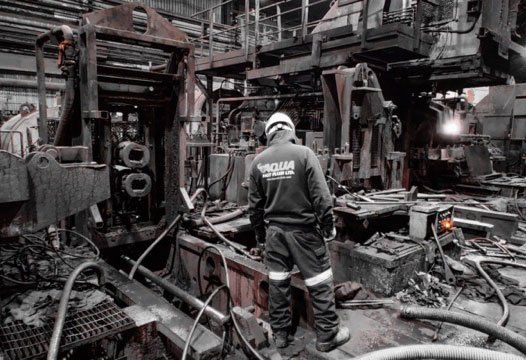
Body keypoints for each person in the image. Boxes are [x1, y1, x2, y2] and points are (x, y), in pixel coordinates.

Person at [248, 112, 350, 352]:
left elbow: (254, 207)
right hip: (304, 232)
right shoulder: (304, 154)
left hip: (275, 234)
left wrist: (261, 239)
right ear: (291, 131)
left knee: (278, 284)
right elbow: (322, 197)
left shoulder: (257, 162)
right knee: (319, 282)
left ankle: (281, 336)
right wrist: (328, 227)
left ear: (269, 133)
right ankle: (327, 336)